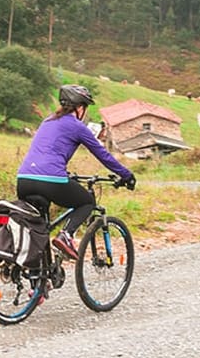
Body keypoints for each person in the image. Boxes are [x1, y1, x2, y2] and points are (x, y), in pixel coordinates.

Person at [17, 84, 135, 260]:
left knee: (39, 227)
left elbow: (48, 151)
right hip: (51, 180)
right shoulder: (77, 126)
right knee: (87, 202)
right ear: (80, 107)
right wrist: (126, 175)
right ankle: (66, 234)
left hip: (24, 179)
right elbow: (102, 154)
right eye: (85, 108)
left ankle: (39, 281)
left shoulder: (47, 121)